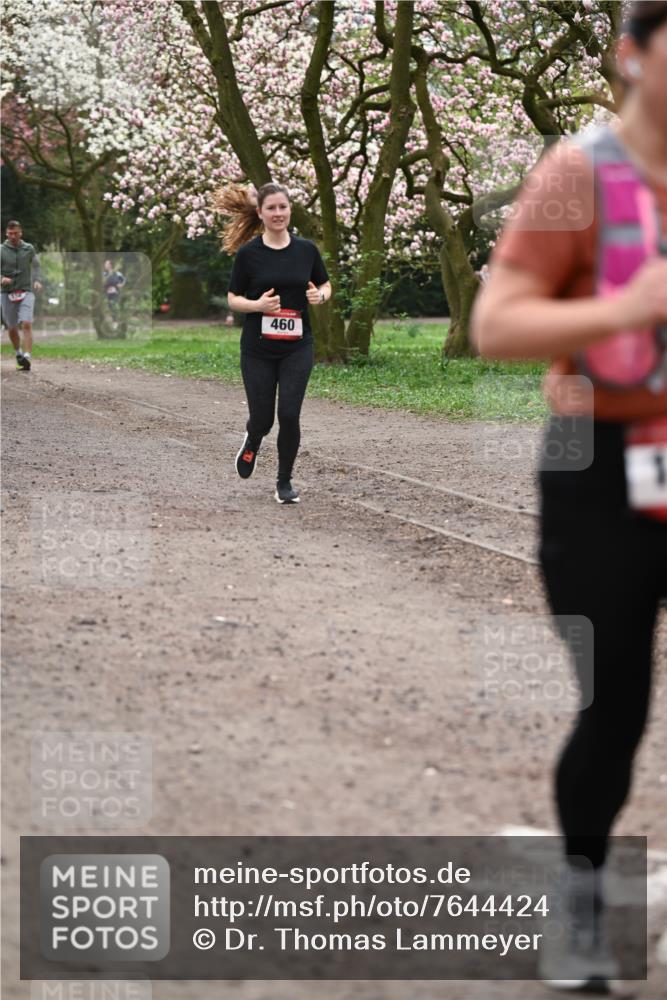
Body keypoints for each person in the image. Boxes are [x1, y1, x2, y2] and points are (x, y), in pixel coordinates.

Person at [472, 2, 667, 991]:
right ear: (632, 54)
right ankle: (583, 900)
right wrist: (624, 310)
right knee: (616, 703)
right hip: (596, 467)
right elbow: (494, 322)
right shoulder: (578, 172)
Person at [215, 182, 331, 504]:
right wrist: (257, 307)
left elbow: (325, 283)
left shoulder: (306, 249)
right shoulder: (249, 254)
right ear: (260, 213)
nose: (278, 213)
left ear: (289, 209)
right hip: (258, 349)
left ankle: (284, 482)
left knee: (290, 415)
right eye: (271, 208)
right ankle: (253, 438)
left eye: (283, 207)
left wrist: (319, 296)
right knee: (264, 419)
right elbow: (232, 298)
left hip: (297, 345)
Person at [1, 220, 43, 371]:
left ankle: (27, 356)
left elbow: (37, 265)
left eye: (16, 233)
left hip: (26, 291)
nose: (13, 236)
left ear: (21, 233)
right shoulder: (1, 250)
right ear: (7, 234)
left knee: (26, 323)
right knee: (12, 327)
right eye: (10, 233)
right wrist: (1, 279)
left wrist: (37, 280)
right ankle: (18, 354)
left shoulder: (28, 248)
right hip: (6, 293)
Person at [102, 259, 125, 323]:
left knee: (115, 305)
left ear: (110, 265)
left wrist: (121, 285)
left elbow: (123, 280)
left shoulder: (118, 273)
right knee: (109, 306)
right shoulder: (104, 274)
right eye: (105, 264)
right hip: (107, 293)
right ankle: (113, 320)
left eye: (106, 264)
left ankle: (116, 320)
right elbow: (102, 283)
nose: (105, 265)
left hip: (116, 292)